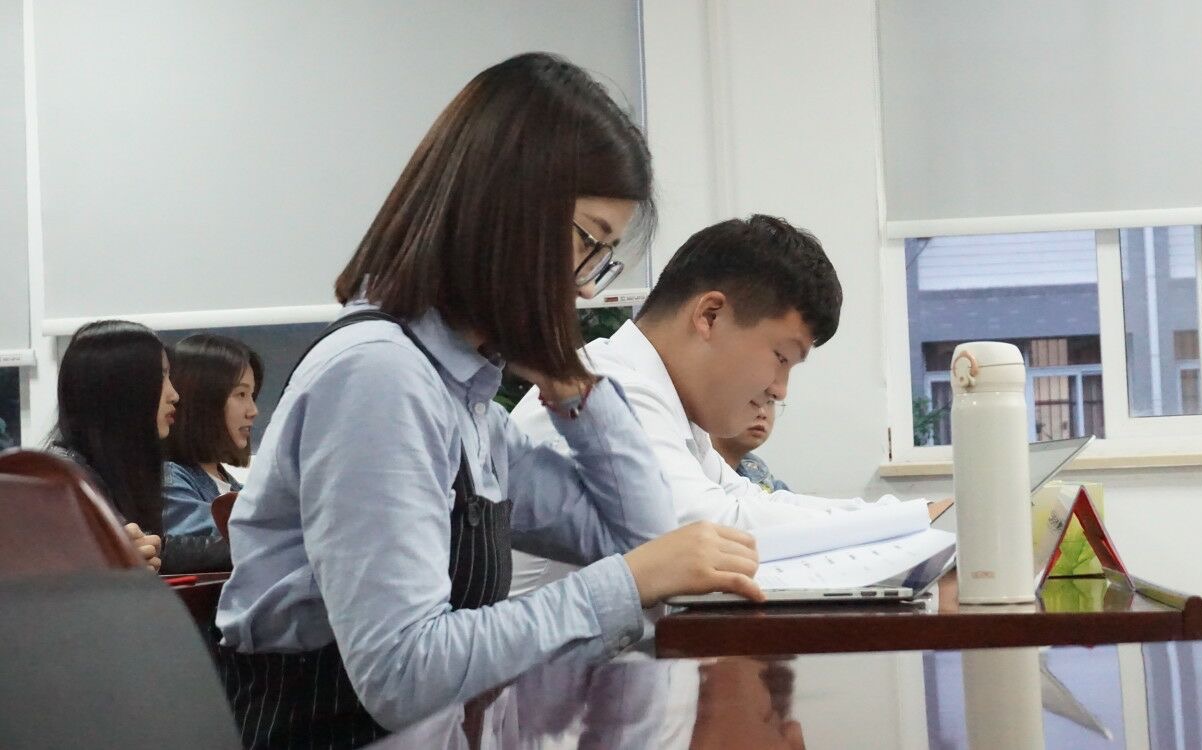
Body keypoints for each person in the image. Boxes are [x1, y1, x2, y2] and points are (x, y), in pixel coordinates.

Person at [214, 52, 762, 749]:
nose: (584, 285)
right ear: (506, 210)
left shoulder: (462, 399)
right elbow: (402, 674)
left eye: (601, 257)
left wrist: (573, 387)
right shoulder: (379, 378)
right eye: (587, 240)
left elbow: (649, 541)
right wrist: (624, 584)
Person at [510, 216, 901, 595]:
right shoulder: (611, 388)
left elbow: (748, 500)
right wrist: (889, 527)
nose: (780, 390)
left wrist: (894, 519)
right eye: (781, 357)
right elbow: (712, 531)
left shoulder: (672, 402)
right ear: (710, 316)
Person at [48, 319, 229, 573]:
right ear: (122, 389)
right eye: (161, 377)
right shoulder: (64, 482)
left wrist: (251, 546)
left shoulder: (108, 467)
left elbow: (158, 548)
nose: (174, 395)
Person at [163, 334, 263, 536]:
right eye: (241, 394)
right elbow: (244, 536)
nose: (253, 411)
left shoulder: (233, 487)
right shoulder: (169, 481)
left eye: (252, 395)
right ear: (202, 401)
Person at [711, 398, 790, 493]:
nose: (762, 413)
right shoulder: (696, 471)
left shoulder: (760, 473)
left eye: (770, 401)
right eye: (751, 399)